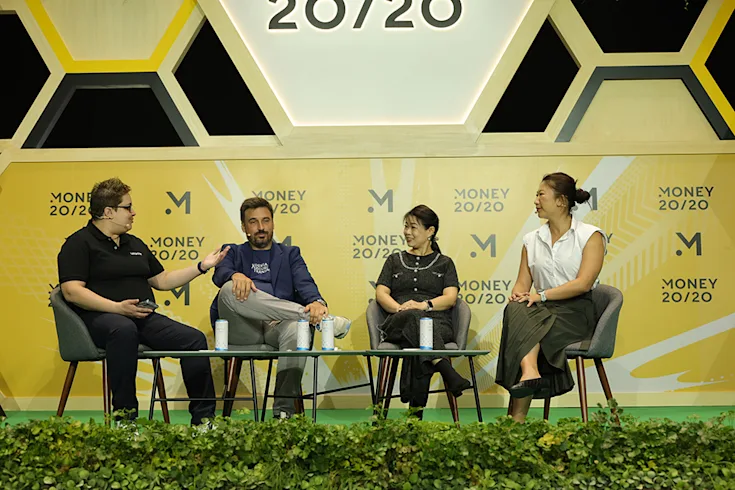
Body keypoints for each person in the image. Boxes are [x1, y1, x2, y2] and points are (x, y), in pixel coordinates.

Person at [57, 177, 229, 425]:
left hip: (140, 316)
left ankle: (204, 421)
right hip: (98, 319)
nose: (133, 213)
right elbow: (72, 291)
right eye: (127, 207)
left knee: (194, 340)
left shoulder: (134, 243)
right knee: (123, 329)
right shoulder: (78, 243)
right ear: (108, 212)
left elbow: (162, 280)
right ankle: (125, 419)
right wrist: (117, 308)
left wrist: (202, 266)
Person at [211, 197, 351, 419]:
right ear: (244, 227)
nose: (261, 227)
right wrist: (234, 274)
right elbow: (219, 273)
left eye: (266, 220)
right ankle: (321, 320)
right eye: (253, 222)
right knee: (228, 289)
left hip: (278, 328)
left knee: (297, 330)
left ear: (273, 223)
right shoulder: (233, 252)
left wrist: (317, 303)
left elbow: (305, 283)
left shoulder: (290, 254)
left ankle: (283, 413)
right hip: (244, 330)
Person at [496, 172, 607, 423]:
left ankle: (517, 419)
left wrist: (541, 296)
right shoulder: (531, 240)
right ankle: (530, 371)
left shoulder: (590, 235)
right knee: (515, 309)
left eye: (541, 195)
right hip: (540, 309)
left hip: (575, 312)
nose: (535, 201)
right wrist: (519, 295)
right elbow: (522, 284)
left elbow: (583, 283)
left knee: (523, 327)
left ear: (561, 201)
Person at [374, 205, 471, 417]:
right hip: (398, 322)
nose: (407, 232)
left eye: (413, 227)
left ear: (430, 231)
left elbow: (450, 298)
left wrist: (423, 306)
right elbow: (381, 293)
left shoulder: (445, 263)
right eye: (406, 227)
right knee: (415, 321)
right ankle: (447, 371)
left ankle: (414, 417)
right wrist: (400, 309)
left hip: (437, 323)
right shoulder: (394, 260)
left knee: (422, 331)